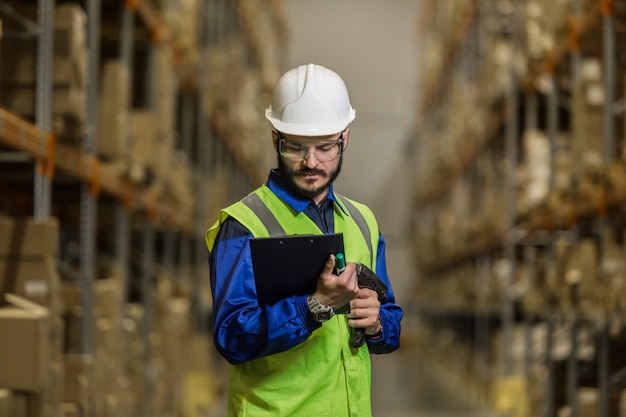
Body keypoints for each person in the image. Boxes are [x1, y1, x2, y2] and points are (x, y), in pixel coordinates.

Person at [205, 63, 403, 417]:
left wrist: (376, 323)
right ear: (275, 140)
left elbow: (390, 322)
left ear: (345, 138)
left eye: (325, 147)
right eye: (295, 147)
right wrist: (314, 306)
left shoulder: (363, 221)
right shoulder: (244, 224)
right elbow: (231, 337)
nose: (311, 162)